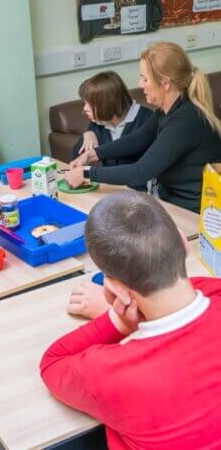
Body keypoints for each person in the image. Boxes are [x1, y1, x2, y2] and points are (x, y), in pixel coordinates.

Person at [40, 190, 221, 449]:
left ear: (116, 290)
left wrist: (118, 321)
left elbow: (52, 364)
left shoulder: (108, 371)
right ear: (183, 243)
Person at [67, 42, 221, 212]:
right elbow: (136, 141)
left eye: (145, 78)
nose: (140, 84)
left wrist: (86, 173)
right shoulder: (166, 112)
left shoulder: (185, 120)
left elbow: (140, 172)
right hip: (170, 201)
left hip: (195, 213)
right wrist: (93, 154)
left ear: (165, 83)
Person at [72, 71, 154, 184]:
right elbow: (77, 157)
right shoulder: (98, 124)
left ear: (106, 103)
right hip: (110, 189)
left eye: (89, 104)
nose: (84, 109)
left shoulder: (146, 119)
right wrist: (88, 134)